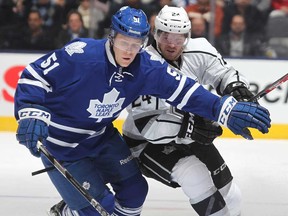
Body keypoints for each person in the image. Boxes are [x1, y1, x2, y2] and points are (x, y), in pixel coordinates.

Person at [14, 6, 271, 216]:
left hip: (102, 137)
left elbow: (186, 91)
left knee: (136, 192)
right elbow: (34, 76)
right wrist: (30, 111)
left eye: (136, 44)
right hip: (63, 146)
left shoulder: (147, 66)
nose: (129, 51)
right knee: (98, 210)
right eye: (124, 42)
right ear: (112, 36)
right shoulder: (81, 54)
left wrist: (224, 108)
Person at [122, 5, 266, 216]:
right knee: (194, 175)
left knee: (231, 196)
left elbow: (223, 73)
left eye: (178, 38)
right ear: (155, 33)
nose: (172, 44)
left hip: (189, 135)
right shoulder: (141, 65)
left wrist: (238, 90)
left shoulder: (199, 50)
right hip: (145, 143)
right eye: (165, 36)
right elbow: (149, 126)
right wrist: (191, 126)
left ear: (187, 37)